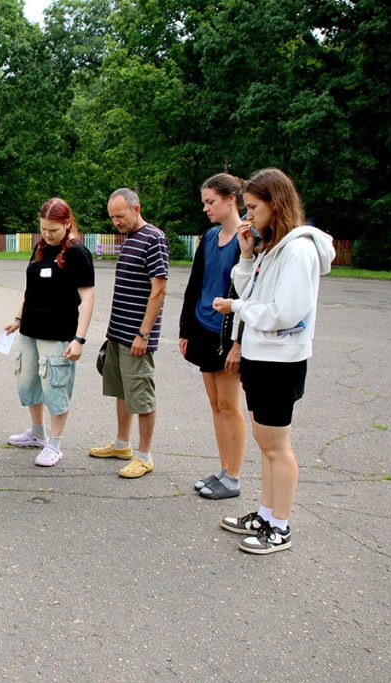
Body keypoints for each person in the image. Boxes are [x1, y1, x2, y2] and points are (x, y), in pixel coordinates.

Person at [213, 168, 334, 555]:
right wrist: (248, 256)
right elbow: (251, 288)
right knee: (267, 443)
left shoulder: (298, 250)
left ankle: (280, 526)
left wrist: (238, 307)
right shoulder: (273, 247)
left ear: (275, 204)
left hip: (281, 360)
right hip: (262, 356)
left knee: (277, 446)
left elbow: (286, 313)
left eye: (252, 208)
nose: (248, 217)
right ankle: (267, 514)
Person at [4, 198, 96, 467]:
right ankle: (37, 432)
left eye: (53, 230)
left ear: (67, 224)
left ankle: (54, 445)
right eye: (43, 228)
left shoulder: (77, 253)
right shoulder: (40, 247)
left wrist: (79, 339)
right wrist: (18, 318)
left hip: (59, 334)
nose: (47, 234)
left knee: (56, 387)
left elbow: (88, 298)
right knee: (29, 381)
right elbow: (30, 289)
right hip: (30, 330)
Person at [89, 188, 169, 478]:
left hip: (138, 336)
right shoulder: (130, 239)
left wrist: (144, 334)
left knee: (141, 395)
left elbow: (159, 289)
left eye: (120, 216)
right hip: (118, 333)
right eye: (112, 218)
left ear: (137, 209)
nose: (116, 223)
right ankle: (122, 444)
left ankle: (144, 456)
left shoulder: (154, 238)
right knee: (122, 390)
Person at [178, 173, 248, 499]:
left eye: (211, 202)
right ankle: (223, 470)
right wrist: (185, 331)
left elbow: (250, 296)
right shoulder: (209, 238)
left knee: (230, 405)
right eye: (204, 202)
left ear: (231, 199)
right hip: (203, 330)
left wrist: (239, 343)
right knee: (215, 404)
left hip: (228, 336)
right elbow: (194, 286)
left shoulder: (248, 240)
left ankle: (234, 476)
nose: (206, 208)